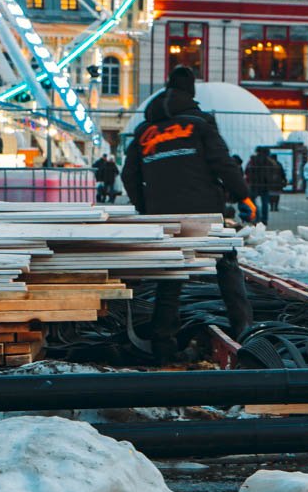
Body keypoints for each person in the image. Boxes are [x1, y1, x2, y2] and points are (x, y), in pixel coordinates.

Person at [121, 65, 255, 361]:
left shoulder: (145, 132)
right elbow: (223, 164)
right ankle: (244, 327)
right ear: (191, 93)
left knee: (173, 272)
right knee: (226, 265)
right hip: (204, 210)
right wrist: (244, 195)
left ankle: (162, 338)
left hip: (164, 215)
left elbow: (128, 175)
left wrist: (147, 208)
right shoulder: (201, 124)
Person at [245, 148, 284, 224]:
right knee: (265, 203)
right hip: (265, 185)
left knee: (252, 201)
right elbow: (275, 171)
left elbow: (247, 171)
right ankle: (264, 219)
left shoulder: (253, 160)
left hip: (254, 184)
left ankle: (257, 216)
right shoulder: (269, 161)